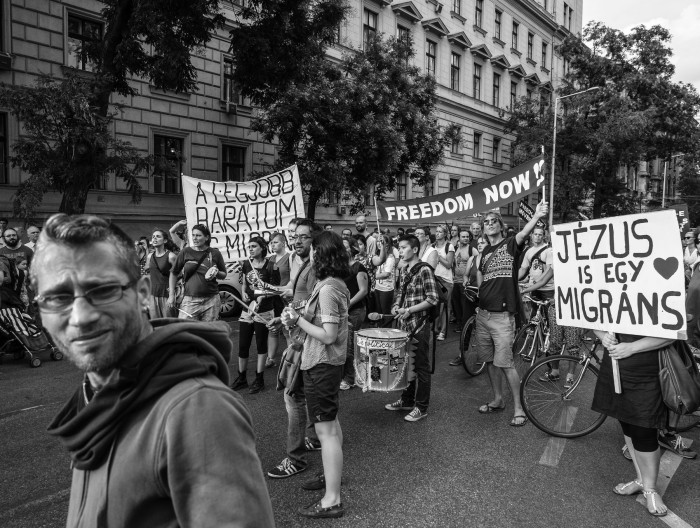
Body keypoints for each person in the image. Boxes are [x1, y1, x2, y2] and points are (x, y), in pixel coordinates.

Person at [31, 214, 274, 527]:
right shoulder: (96, 391)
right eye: (57, 297)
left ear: (143, 293)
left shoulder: (197, 410)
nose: (80, 316)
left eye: (103, 290)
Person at [282, 230, 350, 518]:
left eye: (312, 250)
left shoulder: (327, 288)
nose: (308, 254)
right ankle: (330, 476)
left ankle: (332, 499)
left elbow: (329, 335)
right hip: (325, 364)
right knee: (330, 425)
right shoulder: (331, 283)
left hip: (322, 363)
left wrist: (297, 319)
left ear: (320, 254)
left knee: (326, 430)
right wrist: (294, 319)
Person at [475, 200, 548, 427]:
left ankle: (519, 408)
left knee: (506, 363)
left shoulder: (509, 244)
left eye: (493, 221)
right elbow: (481, 283)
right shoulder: (483, 252)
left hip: (502, 317)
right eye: (485, 222)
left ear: (501, 225)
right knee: (490, 362)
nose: (489, 225)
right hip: (483, 316)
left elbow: (525, 232)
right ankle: (498, 400)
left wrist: (536, 216)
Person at [592, 332, 676, 517]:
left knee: (644, 428)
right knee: (627, 422)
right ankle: (641, 480)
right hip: (615, 364)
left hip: (648, 370)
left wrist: (631, 347)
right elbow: (594, 316)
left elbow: (671, 333)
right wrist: (602, 335)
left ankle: (650, 488)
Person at [267, 219, 323, 479]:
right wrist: (284, 316)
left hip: (306, 341)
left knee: (293, 396)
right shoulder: (303, 265)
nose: (296, 240)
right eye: (294, 236)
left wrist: (293, 316)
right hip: (297, 336)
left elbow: (316, 308)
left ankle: (296, 459)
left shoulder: (316, 268)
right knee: (303, 395)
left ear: (315, 240)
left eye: (303, 237)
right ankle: (312, 437)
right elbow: (302, 301)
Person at [384, 234, 440, 422]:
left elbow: (432, 298)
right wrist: (395, 307)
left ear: (415, 249)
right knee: (407, 364)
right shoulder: (404, 269)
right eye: (398, 247)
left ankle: (421, 407)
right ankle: (407, 400)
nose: (400, 250)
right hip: (404, 325)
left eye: (403, 247)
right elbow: (401, 293)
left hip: (420, 325)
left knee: (421, 367)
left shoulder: (424, 270)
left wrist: (409, 310)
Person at [231, 237, 273, 394]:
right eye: (249, 246)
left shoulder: (270, 266)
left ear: (262, 248)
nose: (250, 249)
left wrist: (263, 295)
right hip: (247, 308)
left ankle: (259, 379)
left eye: (254, 246)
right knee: (243, 344)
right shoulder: (246, 264)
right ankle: (242, 377)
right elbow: (244, 285)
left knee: (261, 344)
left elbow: (275, 289)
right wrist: (243, 294)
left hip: (264, 309)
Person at [168, 223, 226, 321]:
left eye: (198, 235)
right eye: (193, 235)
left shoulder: (215, 253)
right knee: (186, 331)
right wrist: (171, 295)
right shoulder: (186, 252)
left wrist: (217, 272)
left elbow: (223, 274)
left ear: (206, 237)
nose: (195, 238)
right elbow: (173, 273)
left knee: (208, 333)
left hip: (211, 300)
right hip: (189, 300)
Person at [449, 236, 486, 366]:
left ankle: (485, 355)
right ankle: (461, 354)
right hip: (471, 293)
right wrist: (465, 281)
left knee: (484, 326)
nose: (480, 245)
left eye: (483, 242)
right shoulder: (472, 259)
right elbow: (465, 274)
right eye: (479, 243)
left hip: (486, 296)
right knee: (466, 323)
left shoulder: (491, 259)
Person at [340, 237, 369, 391]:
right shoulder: (339, 267)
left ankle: (349, 378)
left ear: (352, 248)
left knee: (350, 345)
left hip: (356, 311)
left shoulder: (359, 267)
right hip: (343, 311)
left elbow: (363, 291)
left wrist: (348, 303)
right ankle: (348, 375)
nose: (342, 250)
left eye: (345, 247)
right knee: (343, 344)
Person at [266, 231, 291, 368]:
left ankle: (290, 358)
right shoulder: (270, 259)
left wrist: (285, 290)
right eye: (271, 243)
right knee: (273, 328)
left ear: (283, 243)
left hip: (285, 298)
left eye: (275, 242)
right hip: (272, 298)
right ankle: (270, 358)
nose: (272, 245)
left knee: (287, 329)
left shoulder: (290, 258)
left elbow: (292, 278)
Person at [145, 229, 178, 318]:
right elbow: (148, 275)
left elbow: (178, 275)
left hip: (166, 295)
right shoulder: (149, 256)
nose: (154, 238)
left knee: (170, 324)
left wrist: (172, 295)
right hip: (153, 294)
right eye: (153, 237)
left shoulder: (171, 256)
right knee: (156, 324)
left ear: (165, 241)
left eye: (158, 236)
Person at [432, 224, 455, 341]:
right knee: (435, 305)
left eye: (440, 232)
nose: (437, 233)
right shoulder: (432, 246)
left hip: (446, 280)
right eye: (436, 231)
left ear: (445, 234)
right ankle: (435, 328)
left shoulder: (449, 246)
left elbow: (449, 264)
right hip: (435, 278)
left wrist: (438, 256)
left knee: (445, 306)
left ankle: (443, 331)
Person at [374, 234, 396, 315]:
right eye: (378, 241)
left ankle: (387, 327)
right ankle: (379, 327)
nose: (379, 243)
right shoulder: (377, 256)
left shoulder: (390, 257)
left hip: (386, 289)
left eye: (382, 241)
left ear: (387, 244)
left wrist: (372, 277)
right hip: (377, 287)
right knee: (378, 312)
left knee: (385, 312)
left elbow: (386, 274)